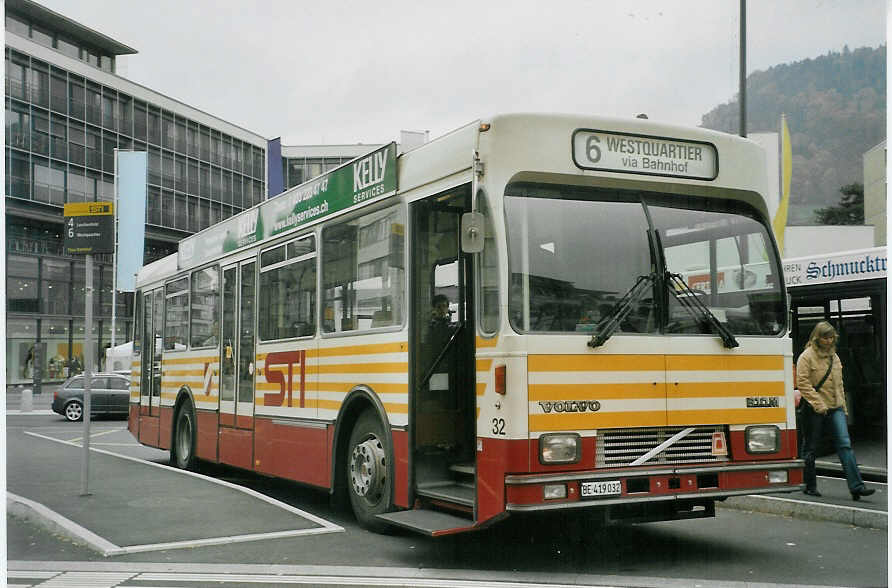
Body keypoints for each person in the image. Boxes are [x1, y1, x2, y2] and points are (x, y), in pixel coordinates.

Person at [797, 321, 874, 500]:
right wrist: (819, 404)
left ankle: (857, 487)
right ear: (817, 338)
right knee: (811, 448)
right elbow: (803, 384)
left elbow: (839, 385)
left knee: (845, 445)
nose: (829, 341)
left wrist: (844, 408)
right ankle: (809, 485)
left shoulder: (835, 357)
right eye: (826, 338)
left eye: (832, 337)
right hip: (814, 408)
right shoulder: (806, 357)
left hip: (835, 406)